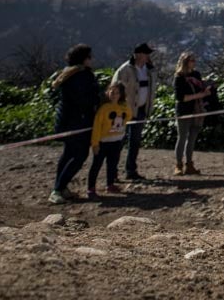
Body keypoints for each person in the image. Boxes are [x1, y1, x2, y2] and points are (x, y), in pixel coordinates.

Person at [49, 43, 99, 205]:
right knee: (80, 155)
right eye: (90, 57)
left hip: (66, 121)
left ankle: (61, 188)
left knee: (68, 154)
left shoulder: (67, 73)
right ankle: (58, 189)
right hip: (79, 122)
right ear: (84, 59)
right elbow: (84, 100)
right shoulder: (82, 76)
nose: (92, 60)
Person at [110, 42, 155, 180]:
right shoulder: (125, 70)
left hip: (141, 109)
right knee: (118, 140)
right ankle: (112, 172)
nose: (147, 56)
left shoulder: (149, 70)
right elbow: (115, 89)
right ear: (138, 54)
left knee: (135, 141)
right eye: (145, 53)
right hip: (124, 111)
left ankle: (131, 170)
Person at [87, 81, 132, 199]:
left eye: (117, 93)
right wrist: (95, 143)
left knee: (112, 164)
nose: (114, 95)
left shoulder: (122, 107)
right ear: (107, 93)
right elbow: (97, 127)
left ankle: (110, 184)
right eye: (112, 92)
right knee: (96, 165)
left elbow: (129, 116)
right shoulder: (104, 109)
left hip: (116, 141)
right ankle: (91, 188)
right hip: (103, 142)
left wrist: (124, 105)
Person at [173, 51, 211, 176]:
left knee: (192, 139)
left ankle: (189, 164)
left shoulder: (196, 74)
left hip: (197, 110)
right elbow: (181, 97)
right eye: (192, 60)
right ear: (186, 62)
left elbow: (200, 88)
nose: (194, 63)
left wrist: (206, 90)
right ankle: (178, 164)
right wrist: (199, 95)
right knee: (182, 138)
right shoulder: (179, 78)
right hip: (184, 111)